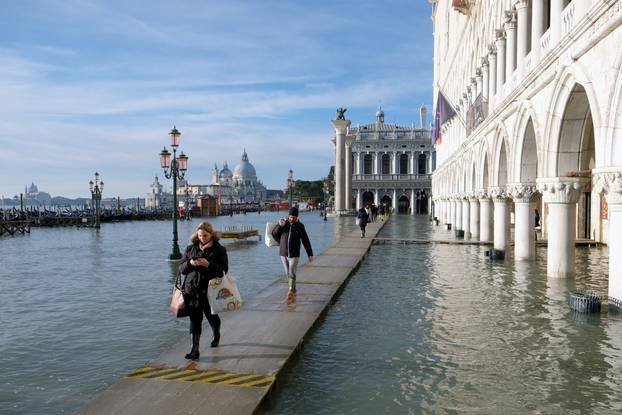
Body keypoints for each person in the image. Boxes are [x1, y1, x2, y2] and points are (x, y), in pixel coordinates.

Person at [178, 222, 228, 360]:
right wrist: (190, 263)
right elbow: (181, 269)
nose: (202, 238)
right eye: (200, 235)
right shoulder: (190, 249)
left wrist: (208, 264)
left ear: (211, 234)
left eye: (205, 235)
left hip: (210, 291)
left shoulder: (220, 250)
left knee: (211, 316)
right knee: (195, 319)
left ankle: (216, 333)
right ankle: (195, 349)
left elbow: (223, 271)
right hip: (192, 290)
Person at [272, 206, 314, 298]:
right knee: (288, 272)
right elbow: (274, 233)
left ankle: (291, 290)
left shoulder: (300, 226)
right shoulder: (284, 223)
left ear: (297, 217)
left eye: (293, 217)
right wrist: (279, 225)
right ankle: (292, 288)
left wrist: (310, 254)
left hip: (294, 254)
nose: (291, 218)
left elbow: (305, 240)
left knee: (292, 272)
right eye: (290, 216)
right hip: (283, 253)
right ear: (288, 216)